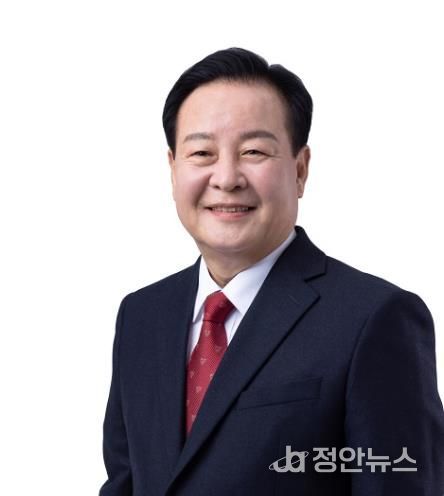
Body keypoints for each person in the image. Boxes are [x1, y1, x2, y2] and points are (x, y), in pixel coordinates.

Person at [98, 48, 444, 495]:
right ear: (173, 168)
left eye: (254, 151)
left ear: (300, 170)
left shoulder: (374, 318)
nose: (226, 178)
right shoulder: (142, 316)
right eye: (202, 152)